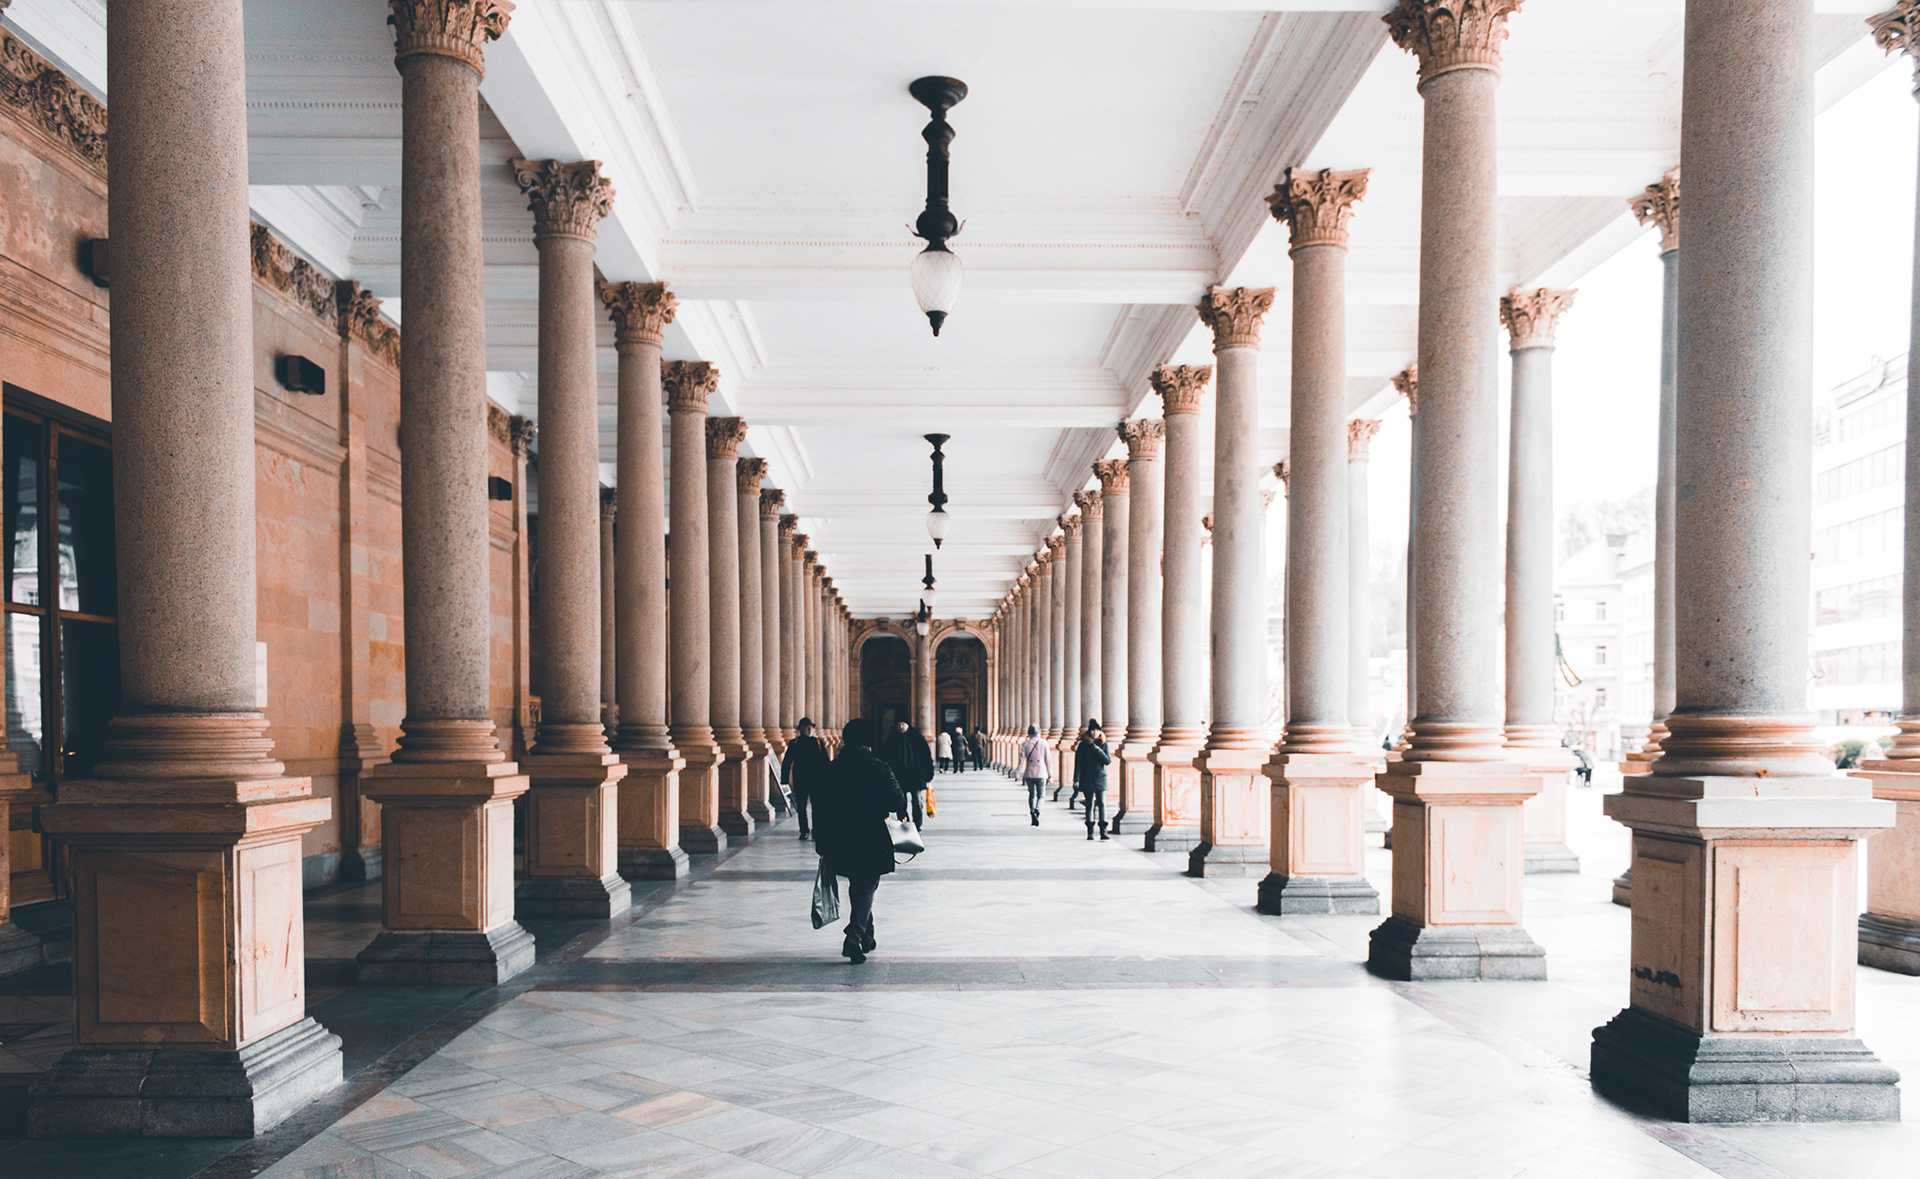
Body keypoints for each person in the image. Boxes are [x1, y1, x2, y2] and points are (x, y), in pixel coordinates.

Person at [811, 717, 908, 964]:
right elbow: (898, 802)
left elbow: (819, 807)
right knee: (866, 884)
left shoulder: (831, 769)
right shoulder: (879, 767)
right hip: (871, 836)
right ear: (869, 741)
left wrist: (820, 839)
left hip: (840, 836)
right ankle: (853, 938)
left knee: (860, 884)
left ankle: (868, 936)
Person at [780, 716, 830, 840]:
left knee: (817, 807)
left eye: (811, 727)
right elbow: (787, 761)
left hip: (816, 780)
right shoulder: (795, 743)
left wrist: (828, 779)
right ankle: (804, 831)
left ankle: (816, 831)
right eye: (807, 727)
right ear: (801, 729)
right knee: (801, 807)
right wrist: (784, 779)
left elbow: (825, 762)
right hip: (801, 780)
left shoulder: (818, 743)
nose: (809, 730)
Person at [882, 720, 934, 826]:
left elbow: (926, 756)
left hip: (916, 775)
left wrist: (929, 773)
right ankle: (904, 824)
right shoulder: (891, 739)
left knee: (917, 801)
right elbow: (885, 757)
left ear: (907, 725)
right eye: (898, 724)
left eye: (903, 724)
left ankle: (917, 825)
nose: (901, 727)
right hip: (900, 776)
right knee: (901, 803)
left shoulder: (917, 737)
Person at [1074, 717, 1112, 840]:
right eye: (1093, 730)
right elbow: (1078, 763)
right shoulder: (1083, 745)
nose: (1095, 732)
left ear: (1100, 731)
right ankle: (1090, 831)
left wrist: (1097, 750)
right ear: (1089, 731)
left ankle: (1103, 831)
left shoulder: (1103, 744)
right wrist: (1076, 779)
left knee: (1102, 803)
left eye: (1097, 730)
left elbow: (1107, 761)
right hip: (1087, 777)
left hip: (1101, 777)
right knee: (1089, 804)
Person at [1017, 723, 1050, 826]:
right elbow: (1048, 760)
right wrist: (1050, 774)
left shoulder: (1025, 744)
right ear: (1039, 732)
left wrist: (1018, 772)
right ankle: (1037, 810)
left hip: (1029, 773)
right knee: (1041, 795)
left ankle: (1032, 812)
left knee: (1032, 794)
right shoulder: (1044, 743)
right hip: (1041, 772)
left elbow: (1021, 760)